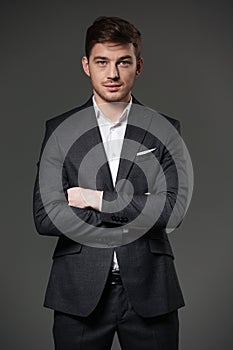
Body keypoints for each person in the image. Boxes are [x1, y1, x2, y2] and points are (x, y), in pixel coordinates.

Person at [33, 16, 189, 350]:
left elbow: (171, 211)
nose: (113, 74)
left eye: (123, 62)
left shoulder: (166, 129)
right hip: (78, 291)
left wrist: (95, 199)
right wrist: (137, 208)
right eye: (102, 62)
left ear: (139, 65)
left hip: (151, 288)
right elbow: (45, 217)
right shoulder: (59, 130)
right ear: (86, 65)